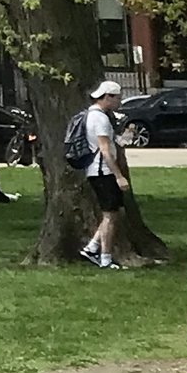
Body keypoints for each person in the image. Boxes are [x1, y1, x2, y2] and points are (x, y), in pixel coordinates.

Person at [73, 76, 132, 266]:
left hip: (100, 171)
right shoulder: (99, 119)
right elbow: (105, 150)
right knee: (110, 216)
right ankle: (104, 258)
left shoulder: (96, 116)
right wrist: (119, 176)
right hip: (103, 172)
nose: (119, 102)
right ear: (107, 97)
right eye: (117, 98)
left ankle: (91, 247)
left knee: (112, 214)